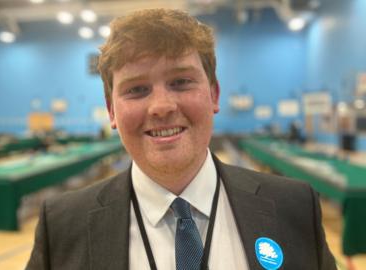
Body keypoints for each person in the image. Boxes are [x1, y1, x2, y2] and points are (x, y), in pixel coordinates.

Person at [27, 8, 337, 270]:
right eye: (137, 89)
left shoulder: (294, 207)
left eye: (181, 82)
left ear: (214, 94)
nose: (161, 106)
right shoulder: (62, 226)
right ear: (111, 111)